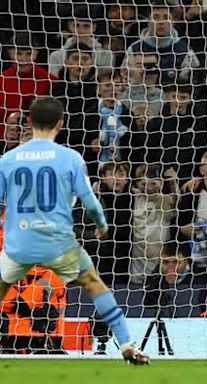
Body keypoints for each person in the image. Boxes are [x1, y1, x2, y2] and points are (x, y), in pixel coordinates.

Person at [0, 98, 149, 364]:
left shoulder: (8, 160)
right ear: (61, 123)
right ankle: (127, 345)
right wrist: (101, 224)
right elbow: (90, 201)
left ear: (30, 122)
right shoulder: (70, 158)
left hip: (19, 244)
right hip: (58, 244)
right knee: (95, 284)